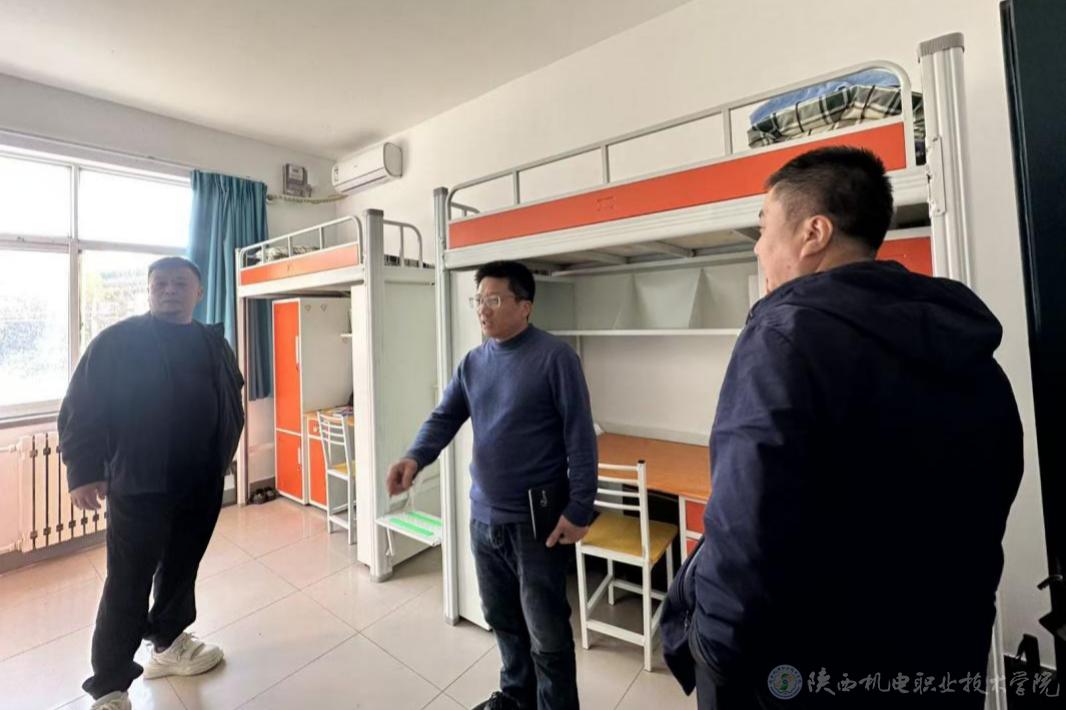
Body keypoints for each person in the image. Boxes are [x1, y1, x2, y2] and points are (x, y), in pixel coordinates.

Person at [661, 146, 1023, 709]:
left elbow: (745, 529)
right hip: (943, 654)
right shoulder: (961, 343)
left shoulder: (784, 336)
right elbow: (998, 481)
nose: (757, 247)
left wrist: (714, 656)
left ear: (814, 233)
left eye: (763, 226)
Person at [387, 260, 597, 710]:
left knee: (546, 631)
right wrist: (414, 456)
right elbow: (445, 416)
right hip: (483, 519)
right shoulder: (474, 362)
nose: (483, 309)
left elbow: (579, 436)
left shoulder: (555, 358)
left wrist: (580, 507)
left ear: (525, 306)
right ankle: (516, 697)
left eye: (494, 299)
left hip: (536, 525)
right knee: (502, 620)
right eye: (479, 299)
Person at [59, 256, 245, 710]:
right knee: (128, 581)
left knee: (182, 568)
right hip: (140, 483)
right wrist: (83, 470)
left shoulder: (213, 343)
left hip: (200, 482)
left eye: (179, 283)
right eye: (159, 284)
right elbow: (81, 405)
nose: (168, 291)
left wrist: (224, 453)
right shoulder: (118, 342)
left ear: (198, 292)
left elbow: (230, 394)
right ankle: (110, 686)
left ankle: (168, 642)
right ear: (148, 291)